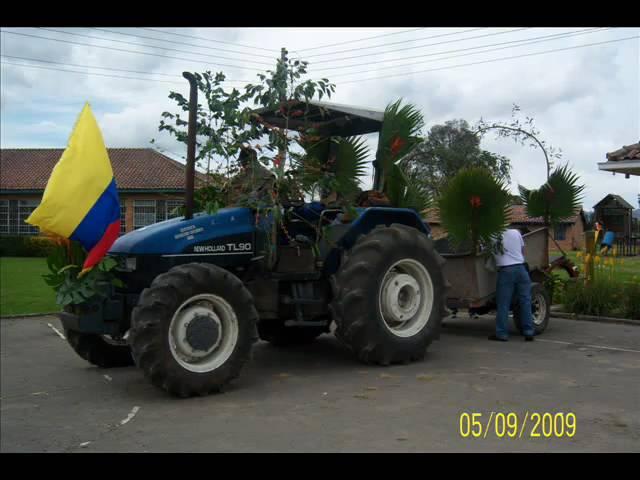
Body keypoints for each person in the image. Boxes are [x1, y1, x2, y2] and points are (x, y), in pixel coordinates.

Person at [490, 228, 535, 342]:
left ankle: (502, 334)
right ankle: (528, 332)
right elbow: (522, 251)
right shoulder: (516, 232)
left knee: (503, 304)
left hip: (506, 271)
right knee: (525, 301)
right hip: (521, 269)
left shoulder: (491, 235)